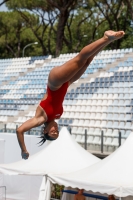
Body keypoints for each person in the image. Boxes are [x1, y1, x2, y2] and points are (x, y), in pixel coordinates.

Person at [16, 30, 125, 159]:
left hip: (55, 82)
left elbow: (20, 130)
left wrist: (23, 150)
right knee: (88, 60)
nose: (55, 130)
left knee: (81, 59)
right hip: (67, 83)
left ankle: (106, 37)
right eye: (57, 132)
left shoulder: (41, 119)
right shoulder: (57, 115)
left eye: (52, 132)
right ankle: (108, 39)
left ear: (44, 130)